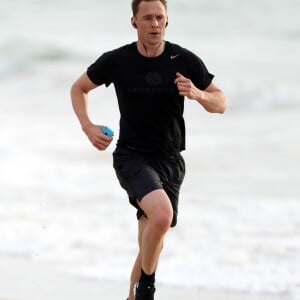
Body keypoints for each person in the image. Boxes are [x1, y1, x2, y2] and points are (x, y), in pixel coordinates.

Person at [70, 0, 226, 299]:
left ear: (167, 21)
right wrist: (87, 126)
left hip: (170, 160)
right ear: (134, 22)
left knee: (151, 238)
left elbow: (220, 103)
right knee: (162, 217)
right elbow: (78, 88)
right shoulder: (117, 60)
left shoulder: (184, 59)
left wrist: (197, 94)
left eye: (160, 18)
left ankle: (132, 296)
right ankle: (148, 286)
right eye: (148, 18)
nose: (154, 24)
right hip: (132, 156)